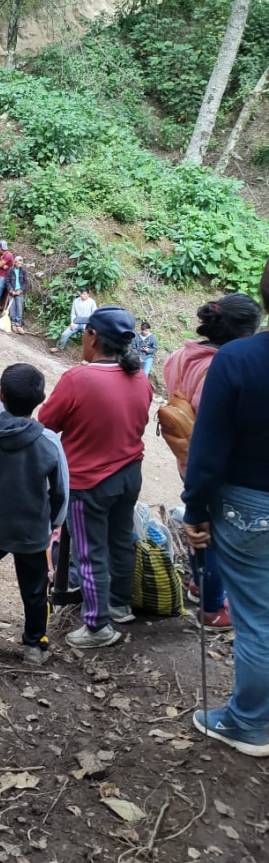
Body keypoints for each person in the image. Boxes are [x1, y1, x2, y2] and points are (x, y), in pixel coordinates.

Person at [183, 260, 269, 756]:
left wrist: (195, 509)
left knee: (257, 617)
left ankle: (249, 724)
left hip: (251, 504)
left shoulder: (238, 359)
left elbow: (209, 446)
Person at [39, 306, 152, 649]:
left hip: (89, 483)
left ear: (92, 337)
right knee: (121, 540)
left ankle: (97, 625)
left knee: (90, 552)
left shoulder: (78, 379)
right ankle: (119, 605)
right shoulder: (140, 378)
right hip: (129, 474)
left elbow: (47, 422)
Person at [163, 295, 262, 630]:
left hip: (185, 453)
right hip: (212, 462)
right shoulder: (221, 367)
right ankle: (211, 606)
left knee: (199, 522)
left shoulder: (182, 355)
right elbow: (217, 425)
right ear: (247, 333)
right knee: (211, 533)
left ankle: (198, 583)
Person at [0, 365, 69, 663]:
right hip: (33, 531)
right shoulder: (49, 441)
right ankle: (34, 645)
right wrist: (53, 523)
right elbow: (61, 491)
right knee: (35, 589)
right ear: (40, 400)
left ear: (1, 395)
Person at [7, 255, 29, 333]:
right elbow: (7, 281)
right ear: (15, 262)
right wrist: (11, 290)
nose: (20, 264)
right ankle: (13, 324)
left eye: (21, 262)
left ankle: (18, 324)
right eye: (18, 262)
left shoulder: (23, 271)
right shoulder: (11, 270)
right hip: (12, 291)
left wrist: (21, 290)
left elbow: (26, 283)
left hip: (19, 291)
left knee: (19, 308)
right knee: (12, 308)